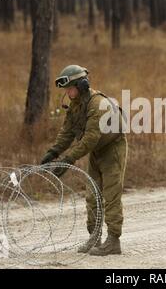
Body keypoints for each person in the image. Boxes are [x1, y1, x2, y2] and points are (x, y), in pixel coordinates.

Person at [40, 65, 127, 256]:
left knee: (111, 194)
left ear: (82, 85)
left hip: (112, 148)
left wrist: (68, 159)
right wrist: (53, 153)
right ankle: (94, 237)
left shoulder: (97, 105)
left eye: (70, 88)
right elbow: (67, 132)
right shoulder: (75, 105)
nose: (68, 93)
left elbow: (90, 138)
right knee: (92, 194)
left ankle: (113, 241)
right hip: (97, 150)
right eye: (67, 89)